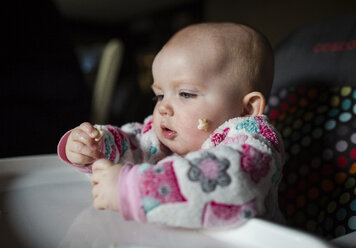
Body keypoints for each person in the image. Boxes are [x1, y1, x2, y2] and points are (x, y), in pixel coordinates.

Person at [58, 22, 285, 228]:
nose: (164, 108)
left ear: (246, 109)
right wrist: (95, 147)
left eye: (185, 94)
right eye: (159, 95)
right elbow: (136, 144)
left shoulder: (254, 144)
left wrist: (133, 188)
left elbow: (231, 181)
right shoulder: (165, 135)